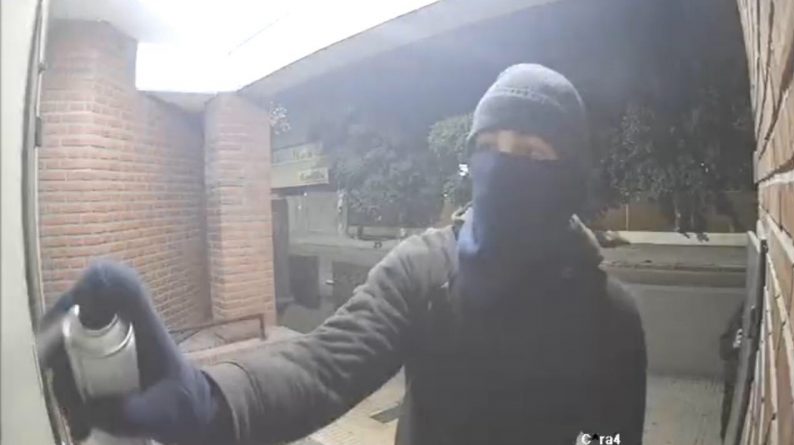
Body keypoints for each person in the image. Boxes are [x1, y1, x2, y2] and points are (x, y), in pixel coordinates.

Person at [43, 64, 647, 445]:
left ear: (570, 175)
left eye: (532, 153)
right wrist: (211, 400)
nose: (505, 166)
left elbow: (609, 438)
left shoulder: (609, 318)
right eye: (489, 147)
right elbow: (321, 367)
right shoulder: (425, 271)